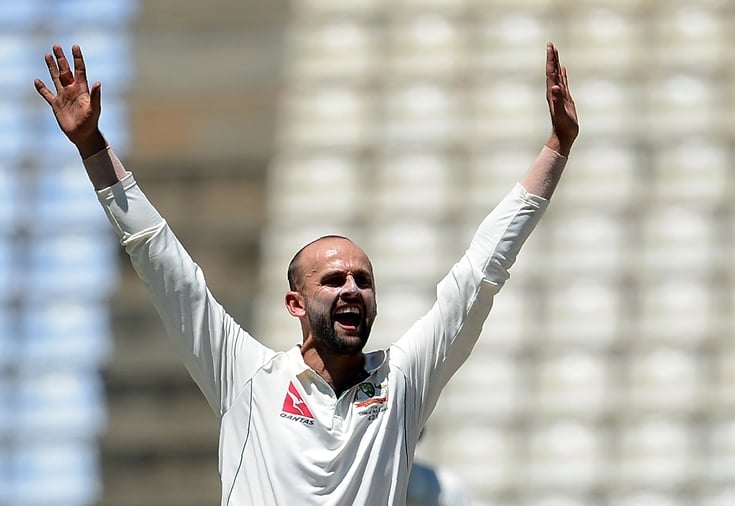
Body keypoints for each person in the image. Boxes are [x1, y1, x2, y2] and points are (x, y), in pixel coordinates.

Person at [35, 41, 578, 505]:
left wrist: (557, 148)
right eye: (334, 280)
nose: (352, 290)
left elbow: (481, 272)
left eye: (363, 281)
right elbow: (161, 263)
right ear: (295, 304)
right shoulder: (245, 376)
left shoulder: (403, 381)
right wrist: (92, 146)